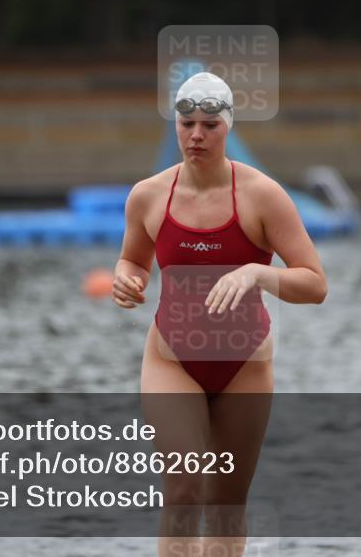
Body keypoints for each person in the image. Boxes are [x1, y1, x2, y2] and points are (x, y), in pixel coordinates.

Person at [112, 71, 327, 556]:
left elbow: (315, 284)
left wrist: (257, 274)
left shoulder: (262, 196)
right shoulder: (148, 195)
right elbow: (132, 259)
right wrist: (128, 280)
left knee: (227, 502)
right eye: (187, 123)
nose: (196, 135)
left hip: (244, 365)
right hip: (172, 361)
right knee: (184, 490)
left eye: (210, 124)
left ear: (227, 126)